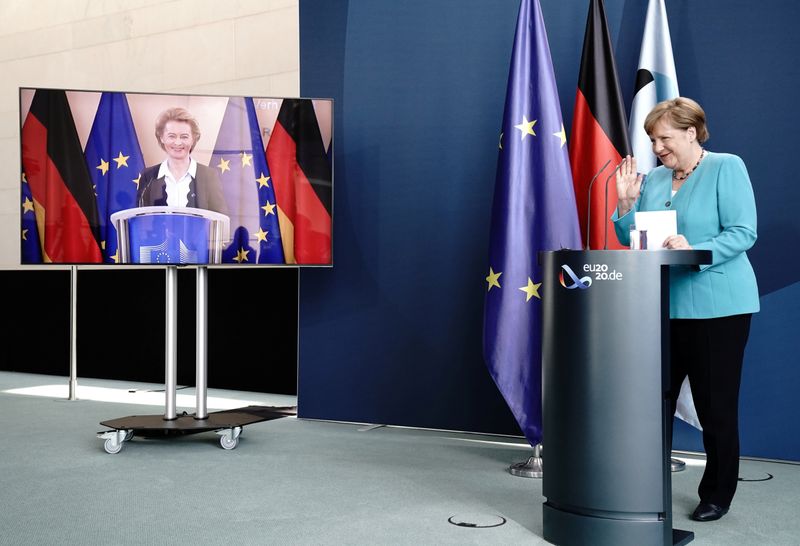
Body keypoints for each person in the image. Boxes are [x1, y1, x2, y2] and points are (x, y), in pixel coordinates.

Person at [613, 97, 759, 522]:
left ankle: (717, 494)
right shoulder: (655, 180)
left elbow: (743, 231)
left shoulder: (726, 167)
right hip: (661, 309)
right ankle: (642, 484)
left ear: (691, 132)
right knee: (650, 404)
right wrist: (625, 205)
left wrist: (698, 249)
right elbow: (633, 239)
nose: (657, 147)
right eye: (652, 140)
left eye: (664, 138)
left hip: (718, 308)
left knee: (716, 406)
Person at [138, 107, 228, 215]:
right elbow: (140, 221)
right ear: (161, 137)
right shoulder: (148, 177)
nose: (178, 142)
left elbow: (220, 220)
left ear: (193, 139)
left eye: (184, 137)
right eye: (172, 136)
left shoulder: (209, 176)